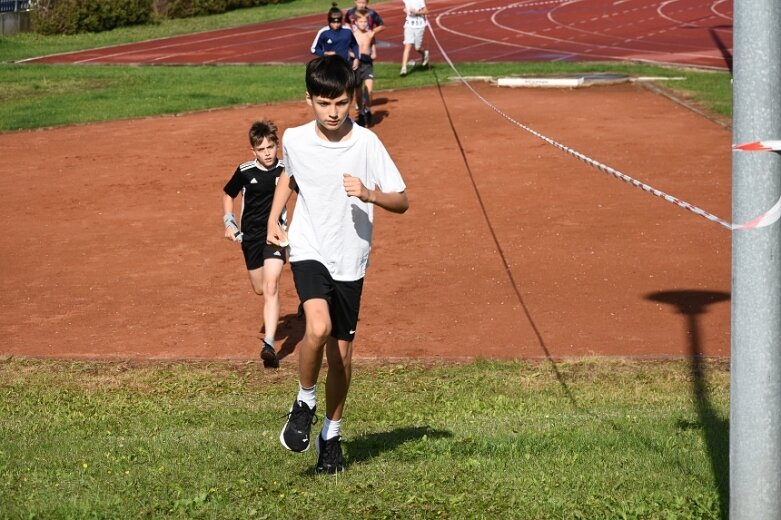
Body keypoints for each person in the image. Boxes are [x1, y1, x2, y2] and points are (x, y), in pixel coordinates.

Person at [266, 55, 409, 474]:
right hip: (309, 247)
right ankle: (304, 400)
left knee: (342, 357)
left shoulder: (367, 143)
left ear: (352, 100)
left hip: (351, 259)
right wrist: (276, 217)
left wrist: (369, 193)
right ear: (308, 98)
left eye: (342, 103)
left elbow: (402, 199)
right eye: (324, 103)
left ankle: (332, 434)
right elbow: (290, 177)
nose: (333, 113)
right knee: (318, 327)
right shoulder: (293, 138)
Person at [222, 120, 288, 369]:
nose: (268, 153)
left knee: (271, 286)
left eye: (271, 147)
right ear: (254, 151)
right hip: (249, 238)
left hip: (275, 237)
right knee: (259, 288)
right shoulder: (245, 170)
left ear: (277, 145)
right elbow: (229, 193)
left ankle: (269, 345)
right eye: (261, 149)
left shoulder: (286, 171)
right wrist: (229, 222)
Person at [310, 3, 360, 72]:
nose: (336, 25)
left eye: (338, 22)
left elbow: (354, 45)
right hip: (329, 67)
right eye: (333, 22)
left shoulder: (347, 31)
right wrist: (325, 53)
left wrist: (357, 58)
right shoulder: (323, 32)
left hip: (346, 66)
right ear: (329, 21)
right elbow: (313, 49)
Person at [351, 10, 377, 127]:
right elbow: (348, 50)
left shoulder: (370, 33)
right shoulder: (353, 34)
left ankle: (368, 109)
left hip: (367, 64)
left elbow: (373, 47)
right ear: (356, 22)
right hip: (356, 64)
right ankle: (361, 113)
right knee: (358, 92)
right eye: (360, 21)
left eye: (365, 21)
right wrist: (355, 56)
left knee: (369, 90)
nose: (363, 24)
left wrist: (373, 54)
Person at [400, 0, 429, 76]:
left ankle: (424, 53)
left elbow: (426, 11)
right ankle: (403, 68)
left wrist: (417, 13)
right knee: (407, 46)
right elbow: (406, 6)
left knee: (417, 48)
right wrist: (406, 10)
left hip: (419, 26)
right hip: (409, 25)